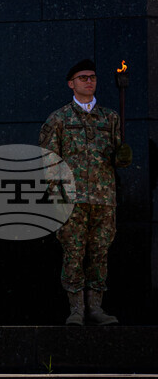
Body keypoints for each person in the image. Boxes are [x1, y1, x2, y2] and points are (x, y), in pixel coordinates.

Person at [39, 59, 132, 325]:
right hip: (72, 200)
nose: (89, 81)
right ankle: (76, 308)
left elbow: (116, 156)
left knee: (100, 252)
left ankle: (95, 307)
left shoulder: (110, 117)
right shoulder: (59, 119)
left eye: (92, 77)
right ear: (72, 83)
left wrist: (122, 158)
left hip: (103, 199)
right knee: (74, 253)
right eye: (83, 78)